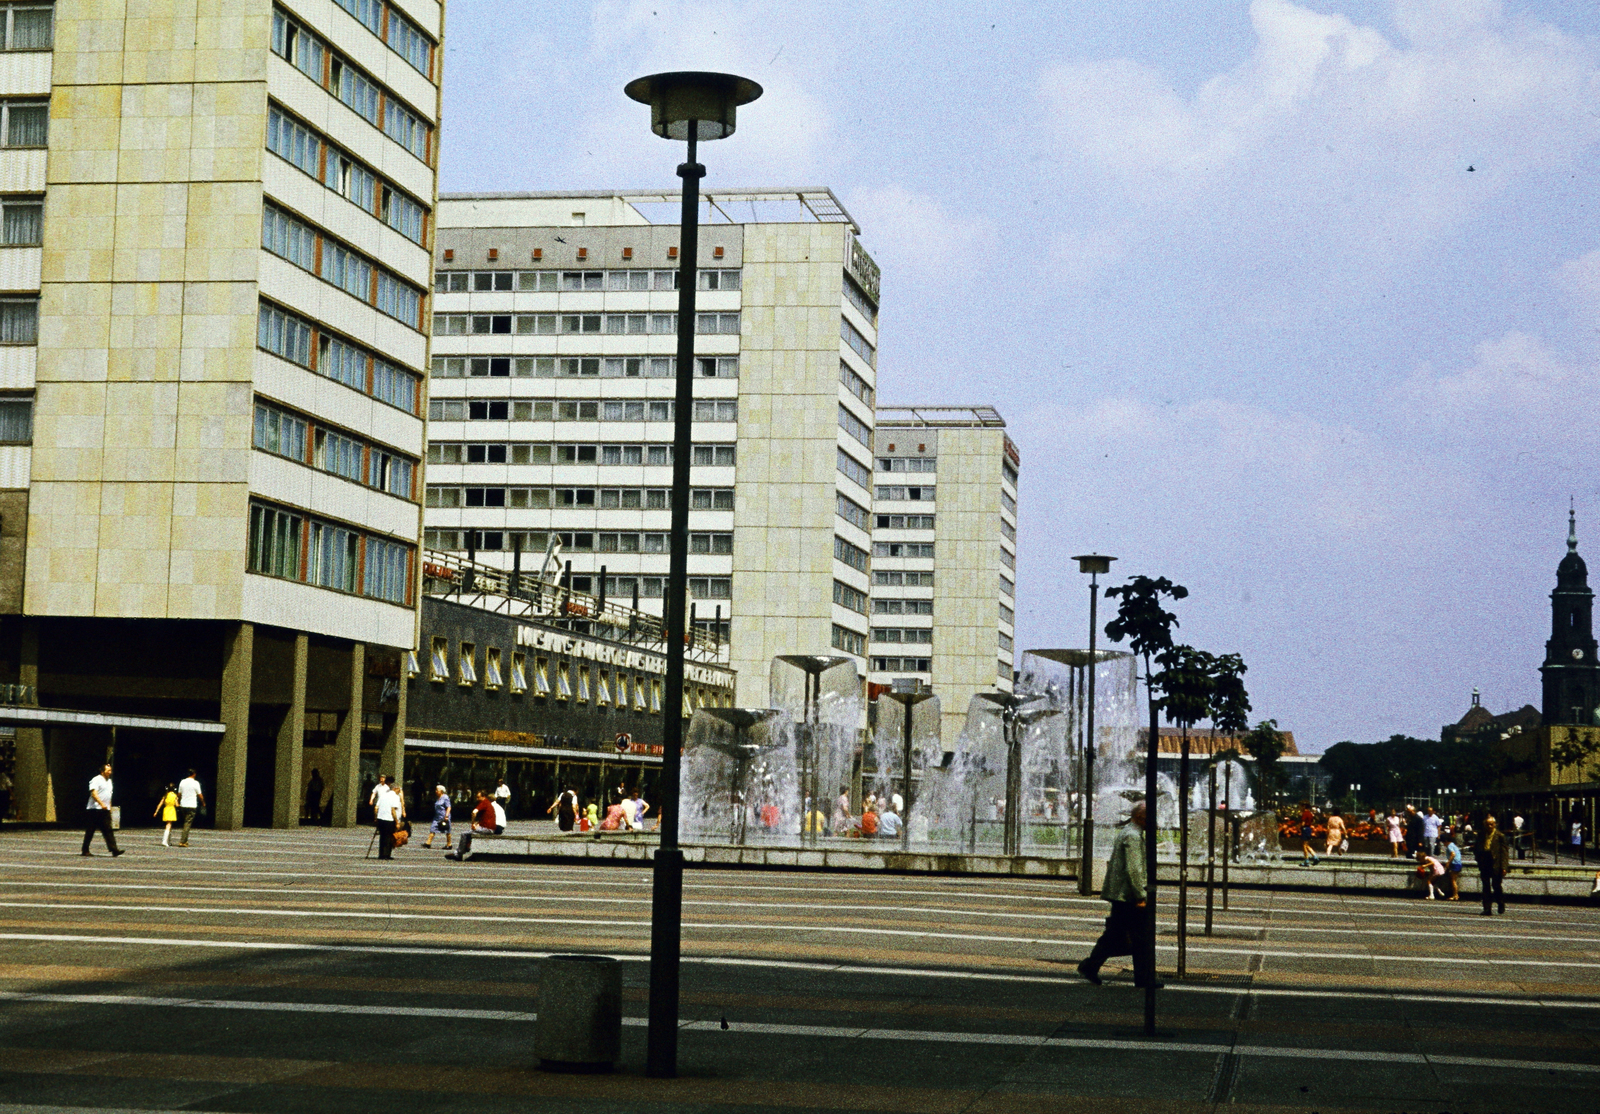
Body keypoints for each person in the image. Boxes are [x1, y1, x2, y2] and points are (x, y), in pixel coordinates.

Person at [1077, 801, 1160, 988]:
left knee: (1114, 934)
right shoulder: (1132, 836)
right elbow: (1134, 869)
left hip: (1121, 895)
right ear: (1140, 817)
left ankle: (1090, 966)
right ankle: (1143, 979)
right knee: (1140, 937)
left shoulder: (1129, 832)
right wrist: (1140, 895)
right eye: (1150, 817)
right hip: (1128, 896)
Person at [447, 791, 503, 861]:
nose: (477, 799)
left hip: (488, 829)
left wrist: (473, 823)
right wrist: (478, 824)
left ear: (483, 797)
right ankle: (463, 850)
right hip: (490, 828)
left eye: (478, 797)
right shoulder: (488, 804)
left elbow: (474, 812)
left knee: (464, 834)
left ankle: (459, 853)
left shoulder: (484, 803)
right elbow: (485, 818)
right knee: (471, 834)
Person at [82, 763, 123, 857]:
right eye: (108, 770)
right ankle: (85, 849)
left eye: (110, 770)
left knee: (108, 830)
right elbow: (94, 793)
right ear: (102, 771)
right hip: (94, 809)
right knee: (90, 830)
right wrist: (101, 804)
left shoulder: (109, 781)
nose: (110, 772)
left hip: (105, 809)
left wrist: (109, 807)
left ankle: (114, 849)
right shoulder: (96, 780)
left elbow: (109, 795)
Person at [1474, 813, 1510, 916]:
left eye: (1491, 824)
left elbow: (1504, 853)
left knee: (1496, 886)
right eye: (1487, 824)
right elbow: (1476, 848)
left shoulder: (1500, 836)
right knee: (1486, 887)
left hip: (1496, 864)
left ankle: (1500, 902)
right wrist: (1478, 859)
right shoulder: (1481, 835)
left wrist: (1504, 867)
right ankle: (1487, 909)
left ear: (1495, 824)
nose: (1489, 826)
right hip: (1484, 863)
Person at [371, 776, 402, 860]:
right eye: (399, 789)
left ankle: (381, 854)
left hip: (381, 818)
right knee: (389, 837)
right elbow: (393, 810)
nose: (399, 791)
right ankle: (387, 854)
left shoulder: (383, 795)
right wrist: (397, 821)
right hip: (389, 819)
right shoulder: (395, 797)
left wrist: (375, 818)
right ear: (395, 789)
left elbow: (376, 807)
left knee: (382, 837)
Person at [176, 769, 205, 846]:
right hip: (191, 805)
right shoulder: (196, 783)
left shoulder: (182, 782)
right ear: (194, 774)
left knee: (185, 822)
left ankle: (184, 839)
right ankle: (183, 841)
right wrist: (203, 803)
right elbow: (200, 795)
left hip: (183, 805)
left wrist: (178, 802)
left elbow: (179, 794)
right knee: (187, 823)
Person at [422, 785, 452, 850]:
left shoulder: (445, 797)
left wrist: (446, 816)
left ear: (441, 791)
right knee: (433, 828)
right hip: (437, 817)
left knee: (447, 830)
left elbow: (448, 807)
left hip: (444, 816)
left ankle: (449, 844)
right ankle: (428, 843)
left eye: (437, 790)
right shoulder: (438, 798)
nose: (436, 791)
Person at [153, 783, 179, 847]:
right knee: (168, 825)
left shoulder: (165, 795)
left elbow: (160, 804)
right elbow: (176, 805)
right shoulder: (174, 795)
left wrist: (156, 811)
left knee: (169, 825)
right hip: (171, 810)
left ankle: (168, 841)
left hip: (166, 809)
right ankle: (164, 841)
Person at [1443, 830, 1463, 900]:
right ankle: (1455, 894)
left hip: (1455, 864)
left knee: (1453, 880)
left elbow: (1453, 854)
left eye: (1443, 842)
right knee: (1453, 880)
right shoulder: (1453, 845)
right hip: (1458, 863)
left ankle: (1455, 895)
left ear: (1445, 841)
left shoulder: (1449, 846)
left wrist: (1448, 862)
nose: (1443, 844)